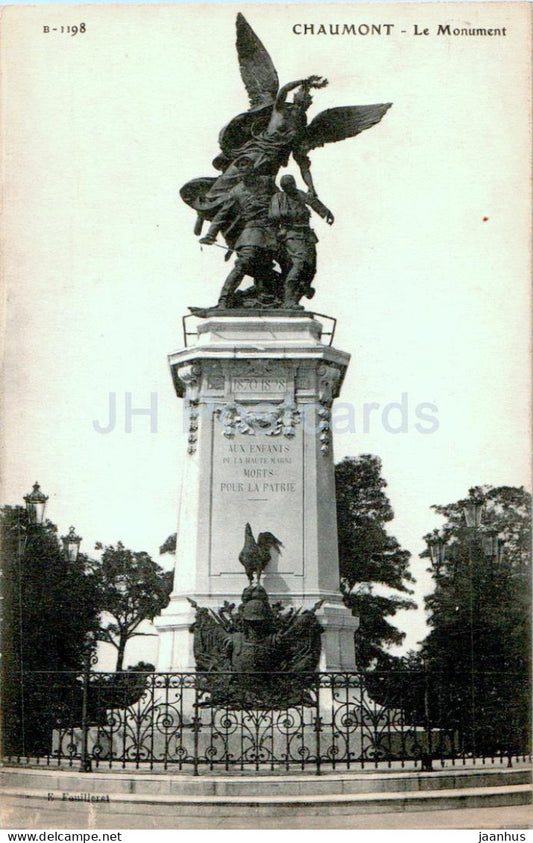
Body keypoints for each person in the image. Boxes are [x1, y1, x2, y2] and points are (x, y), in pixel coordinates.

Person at [199, 155, 278, 307]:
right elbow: (222, 214)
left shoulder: (267, 182)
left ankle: (265, 296)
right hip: (251, 232)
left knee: (265, 267)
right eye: (240, 166)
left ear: (253, 167)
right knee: (243, 263)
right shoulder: (236, 191)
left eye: (246, 165)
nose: (243, 168)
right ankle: (224, 299)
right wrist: (210, 234)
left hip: (271, 232)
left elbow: (282, 199)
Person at [269, 174, 334, 308]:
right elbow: (274, 216)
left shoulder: (300, 194)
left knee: (311, 267)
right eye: (286, 186)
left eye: (291, 184)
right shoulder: (279, 197)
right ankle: (288, 299)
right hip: (291, 235)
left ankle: (300, 293)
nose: (290, 187)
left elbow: (313, 202)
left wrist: (326, 213)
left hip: (307, 235)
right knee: (299, 264)